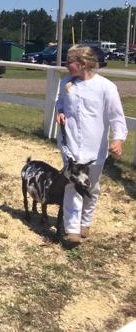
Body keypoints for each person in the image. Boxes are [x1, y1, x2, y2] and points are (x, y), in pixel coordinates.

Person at [55, 44, 127, 248]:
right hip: (70, 146)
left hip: (95, 149)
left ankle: (85, 221)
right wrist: (59, 111)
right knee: (73, 184)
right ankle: (72, 229)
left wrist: (118, 140)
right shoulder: (66, 83)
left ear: (83, 63)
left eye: (70, 62)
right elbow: (59, 102)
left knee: (91, 186)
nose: (66, 65)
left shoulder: (106, 87)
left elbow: (117, 117)